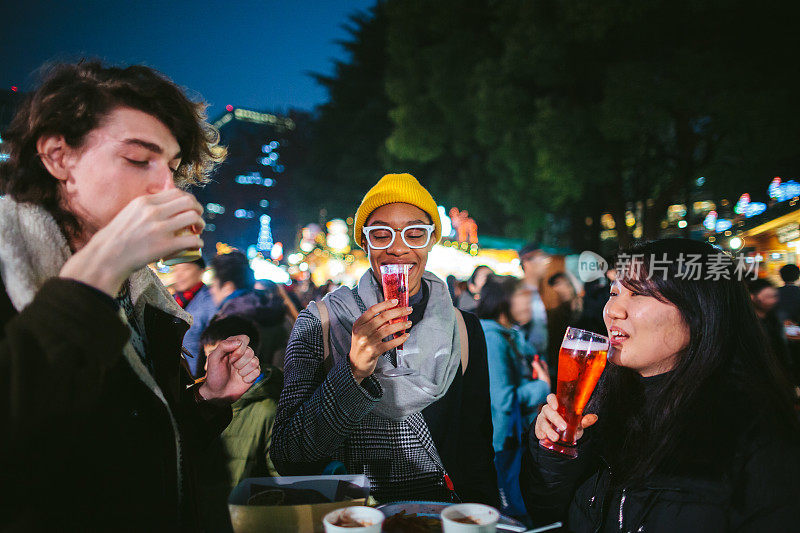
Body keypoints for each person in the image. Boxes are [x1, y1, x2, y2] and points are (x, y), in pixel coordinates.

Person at [0, 61, 263, 530]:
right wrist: (98, 270)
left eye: (174, 167)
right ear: (59, 156)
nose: (165, 186)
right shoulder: (10, 266)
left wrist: (205, 400)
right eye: (140, 159)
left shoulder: (141, 291)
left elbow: (142, 451)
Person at [521, 239, 800, 532]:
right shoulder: (597, 400)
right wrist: (554, 453)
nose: (614, 310)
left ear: (699, 310)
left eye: (639, 293)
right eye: (614, 291)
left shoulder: (756, 431)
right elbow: (546, 513)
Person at [272, 173, 498, 505]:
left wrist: (481, 519)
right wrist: (353, 373)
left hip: (438, 517)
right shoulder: (319, 321)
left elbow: (475, 451)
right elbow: (289, 454)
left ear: (432, 239)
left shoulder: (463, 328)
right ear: (364, 244)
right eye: (380, 235)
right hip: (351, 517)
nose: (398, 247)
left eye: (415, 233)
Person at [198, 315, 283, 532]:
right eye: (208, 356)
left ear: (247, 358)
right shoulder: (199, 403)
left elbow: (279, 480)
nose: (209, 366)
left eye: (220, 357)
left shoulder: (267, 409)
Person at [477, 275, 550, 519]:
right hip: (503, 442)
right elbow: (503, 399)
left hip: (516, 436)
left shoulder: (511, 334)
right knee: (511, 512)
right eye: (523, 297)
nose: (529, 303)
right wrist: (541, 387)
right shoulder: (493, 339)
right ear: (504, 300)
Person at [210, 250, 289, 369]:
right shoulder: (275, 310)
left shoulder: (228, 322)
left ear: (227, 287)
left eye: (213, 285)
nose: (211, 291)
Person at [172, 256, 217, 376]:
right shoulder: (171, 300)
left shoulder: (211, 302)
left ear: (201, 271)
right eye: (175, 270)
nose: (179, 275)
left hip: (195, 376)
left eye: (185, 269)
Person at [518, 244, 551, 362]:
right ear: (526, 262)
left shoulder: (537, 292)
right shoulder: (520, 293)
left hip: (539, 360)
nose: (546, 262)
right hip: (527, 363)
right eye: (541, 258)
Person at [749, 278, 791, 370]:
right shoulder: (748, 324)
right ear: (752, 297)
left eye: (775, 296)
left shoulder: (774, 318)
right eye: (768, 296)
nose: (773, 300)